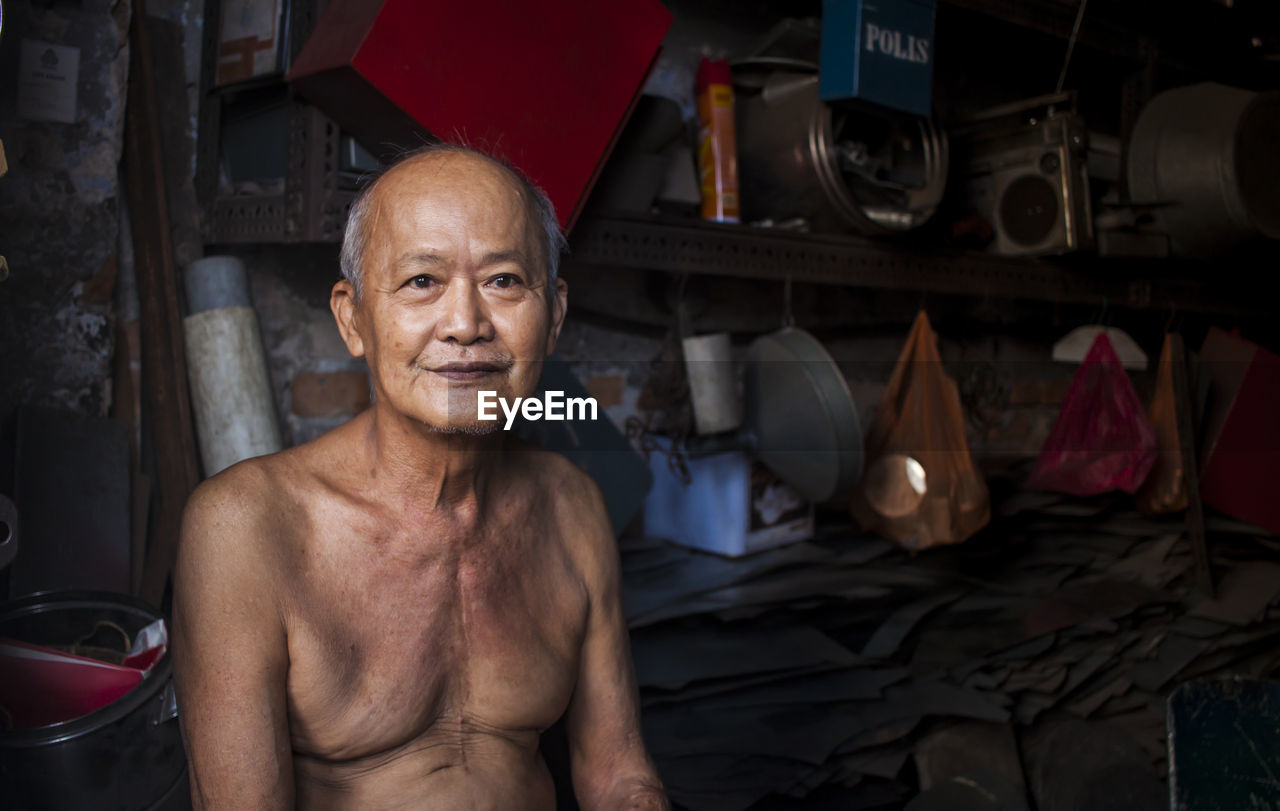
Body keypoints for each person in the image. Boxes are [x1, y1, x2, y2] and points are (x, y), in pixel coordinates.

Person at [173, 143, 668, 810]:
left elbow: (618, 776)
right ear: (353, 319)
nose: (465, 325)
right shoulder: (245, 527)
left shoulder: (571, 505)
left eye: (504, 280)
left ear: (552, 316)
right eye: (421, 282)